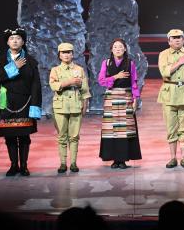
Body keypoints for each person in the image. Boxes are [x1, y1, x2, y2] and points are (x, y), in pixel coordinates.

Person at [0, 28, 41, 176]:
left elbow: (36, 85)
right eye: (11, 39)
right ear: (7, 42)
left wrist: (35, 105)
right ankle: (13, 165)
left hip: (25, 102)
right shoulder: (0, 60)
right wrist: (14, 67)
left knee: (24, 136)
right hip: (7, 103)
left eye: (18, 38)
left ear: (23, 41)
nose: (15, 41)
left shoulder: (30, 61)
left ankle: (24, 165)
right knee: (10, 135)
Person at [157, 29, 184, 168]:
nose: (177, 40)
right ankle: (172, 158)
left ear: (183, 40)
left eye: (179, 37)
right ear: (169, 41)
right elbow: (164, 72)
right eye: (174, 38)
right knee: (171, 128)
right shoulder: (163, 54)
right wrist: (179, 63)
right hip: (169, 95)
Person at [97, 38, 142, 169]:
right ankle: (114, 159)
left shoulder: (130, 63)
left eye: (120, 46)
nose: (118, 49)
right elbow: (101, 80)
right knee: (111, 129)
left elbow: (134, 82)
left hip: (125, 97)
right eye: (115, 47)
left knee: (125, 129)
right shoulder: (106, 63)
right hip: (111, 97)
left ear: (125, 49)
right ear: (111, 49)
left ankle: (122, 159)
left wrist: (135, 99)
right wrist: (116, 77)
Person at [49, 42, 91, 173]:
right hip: (60, 106)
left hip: (75, 105)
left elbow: (85, 89)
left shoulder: (79, 69)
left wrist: (85, 103)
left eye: (69, 52)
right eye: (63, 52)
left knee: (74, 136)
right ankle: (62, 163)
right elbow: (53, 85)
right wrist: (69, 82)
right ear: (59, 55)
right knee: (62, 136)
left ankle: (73, 163)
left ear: (73, 54)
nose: (66, 55)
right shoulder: (55, 70)